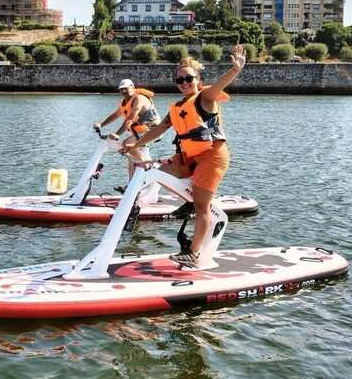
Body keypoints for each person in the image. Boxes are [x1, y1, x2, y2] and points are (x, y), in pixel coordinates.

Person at [120, 45, 246, 268]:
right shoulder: (177, 105)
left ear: (197, 78)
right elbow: (159, 129)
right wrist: (134, 146)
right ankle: (189, 202)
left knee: (202, 207)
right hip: (187, 157)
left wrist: (235, 70)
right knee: (156, 175)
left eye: (189, 78)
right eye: (180, 80)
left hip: (211, 157)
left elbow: (220, 85)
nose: (185, 83)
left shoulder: (205, 97)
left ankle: (194, 253)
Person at [93, 78, 162, 187]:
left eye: (126, 88)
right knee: (131, 162)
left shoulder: (139, 98)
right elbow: (115, 115)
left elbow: (131, 118)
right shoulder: (123, 102)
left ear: (133, 88)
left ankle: (148, 167)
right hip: (139, 132)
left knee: (126, 144)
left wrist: (118, 134)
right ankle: (131, 187)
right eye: (121, 89)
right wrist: (101, 124)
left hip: (153, 130)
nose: (124, 91)